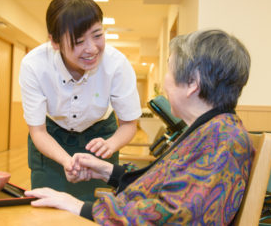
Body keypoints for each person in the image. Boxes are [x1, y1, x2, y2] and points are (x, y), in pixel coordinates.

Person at [25, 29, 255, 225]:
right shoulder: (211, 131)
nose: (164, 81)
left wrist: (80, 208)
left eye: (169, 70)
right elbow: (166, 186)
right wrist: (108, 172)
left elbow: (175, 217)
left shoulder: (221, 140)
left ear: (193, 84)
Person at [19, 0, 142, 201]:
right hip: (51, 140)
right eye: (78, 42)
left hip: (100, 138)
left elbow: (129, 124)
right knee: (48, 207)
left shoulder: (116, 64)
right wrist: (67, 162)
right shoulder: (34, 65)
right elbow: (38, 131)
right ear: (55, 42)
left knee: (98, 211)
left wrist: (110, 145)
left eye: (97, 35)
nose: (92, 49)